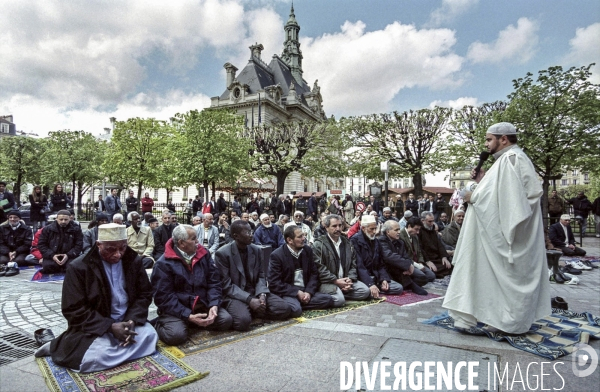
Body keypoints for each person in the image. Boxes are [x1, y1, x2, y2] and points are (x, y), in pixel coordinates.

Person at [443, 122, 550, 334]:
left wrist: (474, 196)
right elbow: (503, 193)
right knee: (488, 273)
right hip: (496, 232)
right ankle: (498, 317)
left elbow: (512, 203)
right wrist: (482, 180)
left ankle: (509, 321)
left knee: (505, 275)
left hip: (508, 236)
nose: (486, 144)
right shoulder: (508, 160)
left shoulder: (511, 159)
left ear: (504, 139)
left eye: (489, 139)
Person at [35, 223, 158, 371]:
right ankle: (59, 345)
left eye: (122, 248)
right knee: (97, 357)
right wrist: (109, 326)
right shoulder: (79, 267)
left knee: (150, 336)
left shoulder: (133, 260)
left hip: (126, 320)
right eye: (111, 249)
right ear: (99, 245)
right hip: (96, 327)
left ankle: (115, 349)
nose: (118, 254)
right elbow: (73, 309)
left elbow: (144, 294)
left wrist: (132, 320)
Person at [151, 225, 233, 345]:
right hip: (177, 309)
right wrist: (187, 315)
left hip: (202, 304)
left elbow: (214, 282)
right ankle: (161, 323)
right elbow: (163, 298)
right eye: (193, 239)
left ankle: (193, 323)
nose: (197, 242)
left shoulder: (203, 254)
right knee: (176, 336)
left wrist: (214, 305)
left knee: (226, 320)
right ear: (181, 243)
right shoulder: (163, 264)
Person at [215, 221, 291, 331]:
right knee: (243, 322)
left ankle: (254, 309)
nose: (252, 235)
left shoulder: (256, 250)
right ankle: (249, 310)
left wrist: (262, 294)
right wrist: (249, 300)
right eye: (248, 232)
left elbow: (261, 276)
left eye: (251, 231)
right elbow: (227, 286)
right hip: (236, 295)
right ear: (236, 236)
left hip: (255, 291)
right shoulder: (222, 253)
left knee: (284, 309)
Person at [268, 225, 334, 316]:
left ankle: (299, 303)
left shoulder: (307, 250)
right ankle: (296, 304)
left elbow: (314, 274)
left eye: (304, 235)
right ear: (289, 240)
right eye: (300, 237)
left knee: (328, 299)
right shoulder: (277, 255)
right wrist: (296, 292)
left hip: (305, 289)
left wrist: (309, 292)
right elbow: (274, 282)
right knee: (296, 310)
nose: (304, 238)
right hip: (289, 292)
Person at [312, 214, 370, 307]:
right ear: (326, 228)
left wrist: (350, 279)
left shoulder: (347, 242)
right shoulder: (319, 244)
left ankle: (342, 292)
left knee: (365, 291)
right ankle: (338, 294)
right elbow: (320, 268)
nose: (338, 229)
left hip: (346, 280)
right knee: (339, 301)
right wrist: (336, 281)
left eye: (340, 225)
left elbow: (353, 264)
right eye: (334, 226)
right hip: (328, 282)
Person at [350, 215, 404, 298]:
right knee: (365, 291)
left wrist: (384, 279)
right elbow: (359, 266)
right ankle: (371, 289)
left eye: (375, 228)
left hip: (376, 276)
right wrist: (370, 284)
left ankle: (375, 289)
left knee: (398, 288)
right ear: (363, 228)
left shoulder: (376, 241)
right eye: (372, 229)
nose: (375, 232)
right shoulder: (354, 241)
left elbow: (380, 263)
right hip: (362, 277)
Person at [378, 220, 429, 295]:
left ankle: (406, 283)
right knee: (399, 285)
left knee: (423, 277)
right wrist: (407, 265)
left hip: (402, 267)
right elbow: (389, 257)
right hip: (389, 269)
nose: (399, 232)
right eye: (396, 230)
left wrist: (409, 265)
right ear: (388, 232)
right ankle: (409, 284)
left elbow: (406, 256)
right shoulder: (381, 240)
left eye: (399, 229)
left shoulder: (400, 242)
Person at [399, 217, 436, 286]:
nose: (418, 232)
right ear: (409, 226)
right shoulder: (400, 236)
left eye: (419, 230)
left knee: (431, 276)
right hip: (409, 263)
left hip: (417, 263)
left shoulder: (415, 236)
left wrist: (420, 262)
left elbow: (419, 252)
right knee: (422, 277)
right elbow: (404, 255)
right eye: (416, 229)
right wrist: (417, 265)